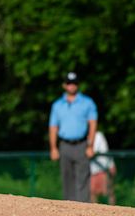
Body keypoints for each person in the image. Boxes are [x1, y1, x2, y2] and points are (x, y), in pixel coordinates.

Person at [49, 72, 98, 202]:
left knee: (83, 180)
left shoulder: (87, 103)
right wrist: (53, 148)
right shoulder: (57, 105)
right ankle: (69, 209)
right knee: (67, 179)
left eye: (74, 83)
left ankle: (83, 210)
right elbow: (53, 127)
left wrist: (90, 145)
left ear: (78, 84)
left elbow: (93, 124)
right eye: (69, 83)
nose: (71, 86)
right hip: (64, 145)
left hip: (82, 145)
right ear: (64, 85)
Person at [90, 131, 116, 204]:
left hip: (103, 168)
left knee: (109, 191)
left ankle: (113, 212)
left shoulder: (99, 136)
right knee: (92, 192)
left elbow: (105, 150)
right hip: (91, 170)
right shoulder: (82, 135)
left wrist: (111, 164)